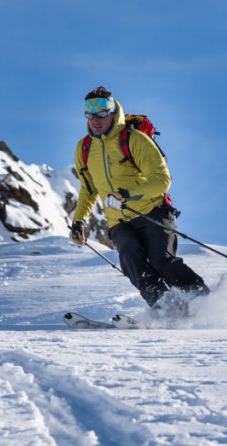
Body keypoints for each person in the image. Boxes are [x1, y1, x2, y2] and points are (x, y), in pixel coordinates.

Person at [70, 86, 208, 311]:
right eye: (90, 113)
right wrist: (79, 221)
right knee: (133, 263)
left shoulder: (133, 139)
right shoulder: (84, 148)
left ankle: (204, 303)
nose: (95, 119)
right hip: (118, 221)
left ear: (113, 112)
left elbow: (162, 179)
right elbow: (88, 189)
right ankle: (166, 310)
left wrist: (127, 194)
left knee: (161, 260)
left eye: (102, 112)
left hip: (151, 211)